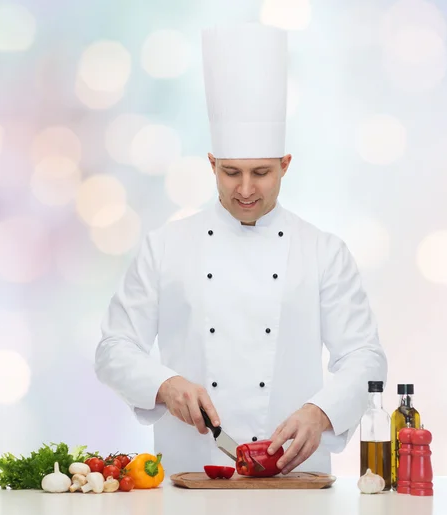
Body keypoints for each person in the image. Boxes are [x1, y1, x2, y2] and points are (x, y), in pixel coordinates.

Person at [94, 22, 387, 476]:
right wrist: (164, 384)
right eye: (231, 172)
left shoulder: (324, 252)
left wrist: (322, 411)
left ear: (285, 165)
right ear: (211, 164)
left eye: (261, 173)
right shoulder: (165, 247)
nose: (245, 189)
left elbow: (365, 357)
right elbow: (114, 348)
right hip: (189, 479)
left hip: (297, 483)